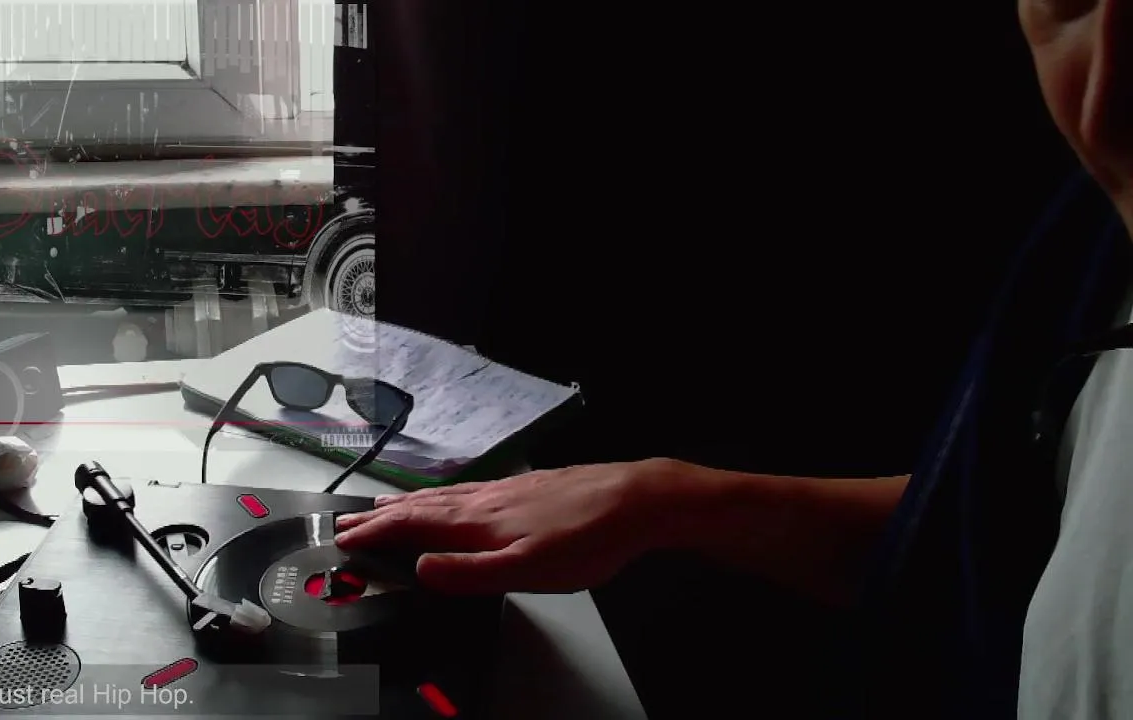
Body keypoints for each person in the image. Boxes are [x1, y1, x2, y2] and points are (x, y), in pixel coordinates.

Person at [341, 3, 1133, 719]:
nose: (1106, 104)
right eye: (1075, 3)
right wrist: (661, 496)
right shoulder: (1092, 263)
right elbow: (996, 540)